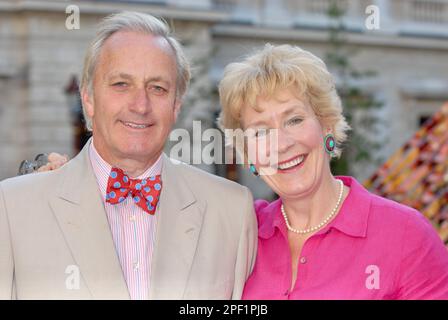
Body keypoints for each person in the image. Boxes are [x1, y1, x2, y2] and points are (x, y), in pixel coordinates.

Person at [0, 11, 257, 300]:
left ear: (176, 106)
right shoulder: (11, 208)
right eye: (121, 84)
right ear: (88, 98)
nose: (140, 105)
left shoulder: (232, 211)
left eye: (157, 88)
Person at [217, 44, 448, 299]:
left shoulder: (406, 234)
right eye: (260, 132)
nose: (281, 144)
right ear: (249, 154)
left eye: (294, 120)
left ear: (326, 126)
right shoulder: (241, 231)